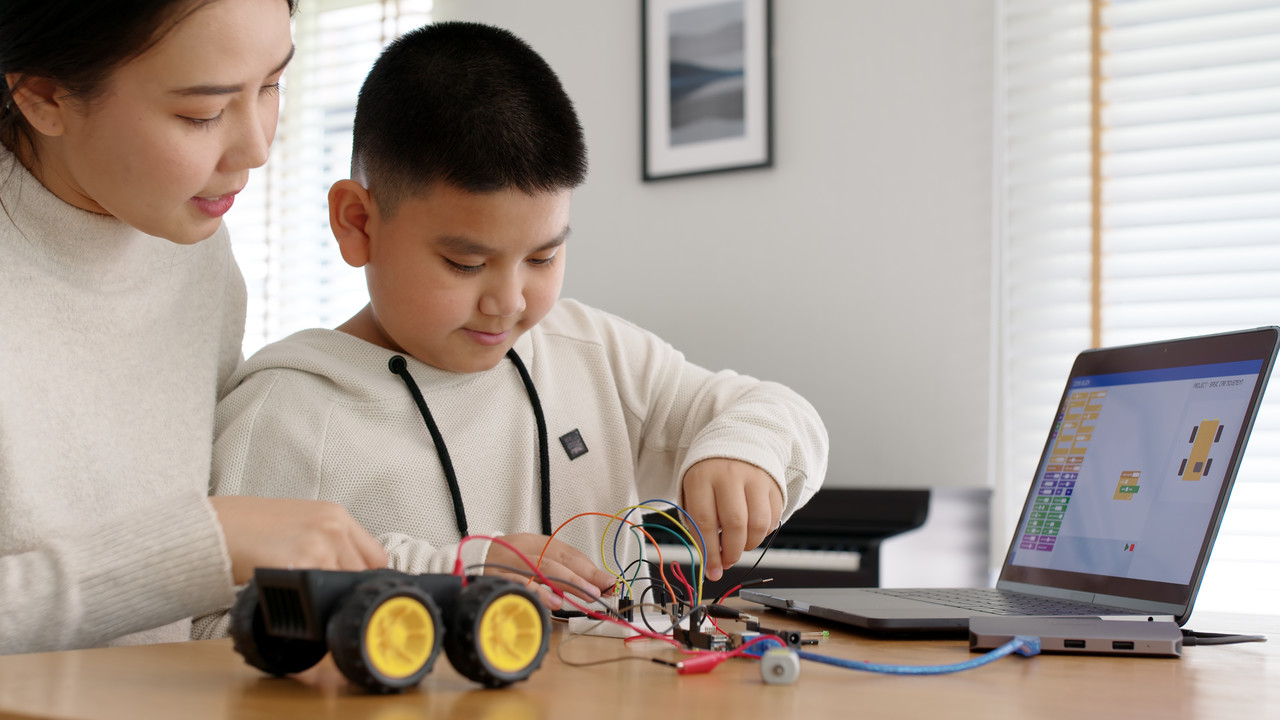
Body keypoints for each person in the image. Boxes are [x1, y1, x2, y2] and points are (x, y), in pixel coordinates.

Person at [203, 21, 827, 626]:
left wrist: (747, 452)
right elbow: (212, 630)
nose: (509, 302)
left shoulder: (593, 352)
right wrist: (451, 576)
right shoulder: (284, 414)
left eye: (543, 257)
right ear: (358, 223)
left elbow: (772, 409)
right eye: (465, 262)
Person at [0, 0, 387, 655]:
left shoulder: (197, 251)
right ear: (43, 96)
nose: (259, 148)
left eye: (271, 86)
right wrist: (200, 547)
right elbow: (195, 548)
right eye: (201, 113)